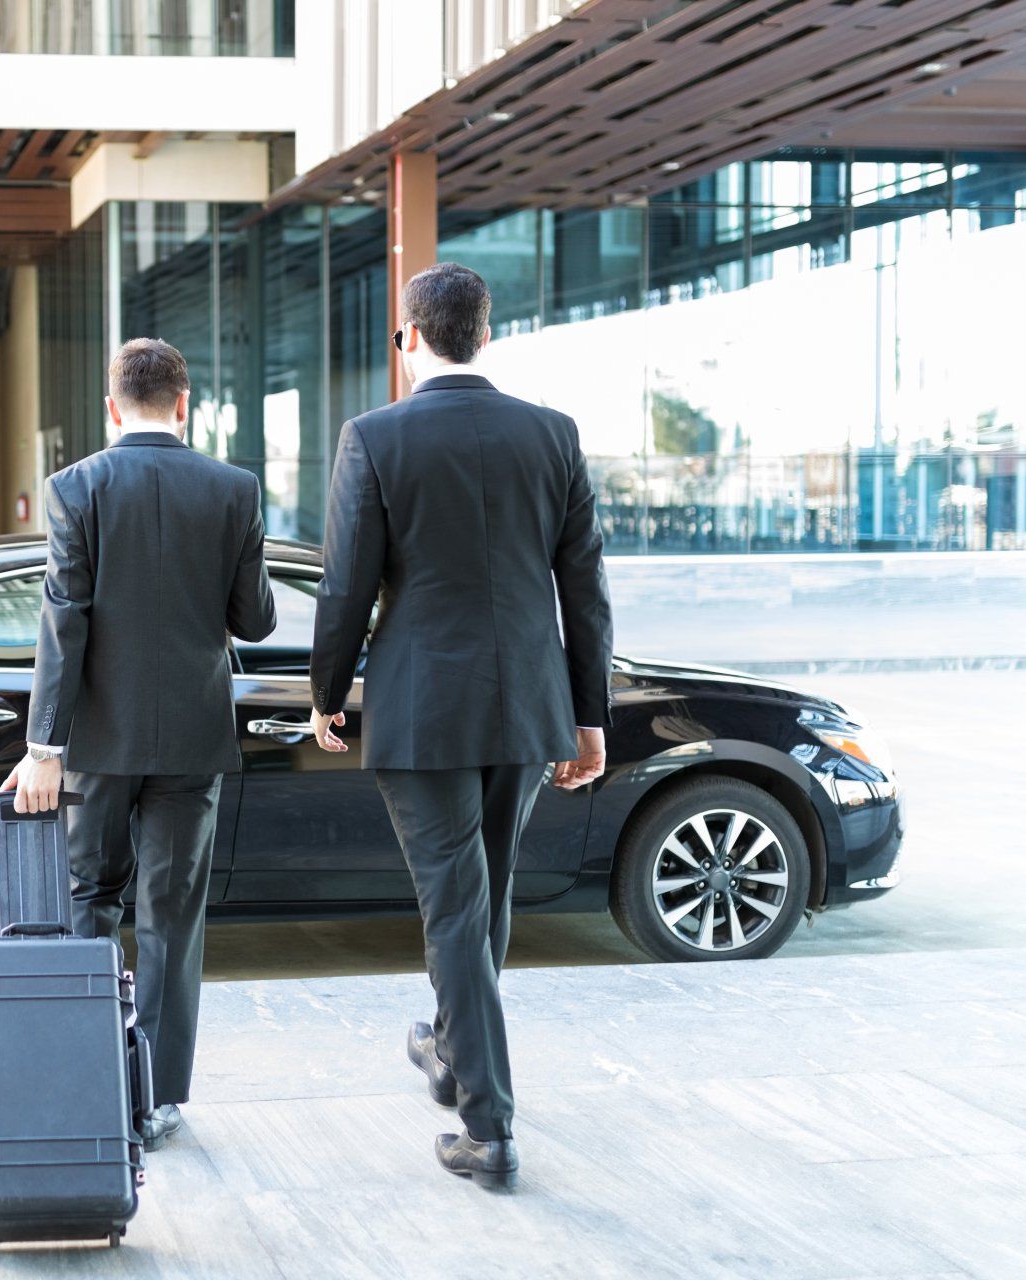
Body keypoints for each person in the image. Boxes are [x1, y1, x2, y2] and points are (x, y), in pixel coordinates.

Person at [309, 263, 613, 1187]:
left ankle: (488, 1125)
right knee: (487, 893)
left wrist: (326, 690)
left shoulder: (374, 437)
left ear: (408, 338)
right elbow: (584, 593)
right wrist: (587, 717)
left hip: (421, 707)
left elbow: (345, 584)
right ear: (486, 335)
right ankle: (449, 1051)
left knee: (455, 904)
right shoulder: (552, 434)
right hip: (527, 704)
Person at [4, 337, 276, 1151]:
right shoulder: (234, 489)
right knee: (172, 918)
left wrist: (44, 745)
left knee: (90, 900)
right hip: (193, 737)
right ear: (185, 405)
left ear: (112, 406)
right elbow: (254, 621)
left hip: (95, 742)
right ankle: (158, 1099)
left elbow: (64, 622)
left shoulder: (75, 487)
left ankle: (93, 1083)